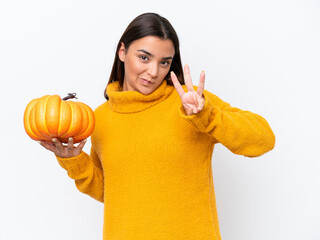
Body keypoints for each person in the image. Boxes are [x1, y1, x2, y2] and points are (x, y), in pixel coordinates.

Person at [39, 12, 275, 240]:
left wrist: (208, 117)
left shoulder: (191, 104)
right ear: (123, 52)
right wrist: (74, 161)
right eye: (144, 57)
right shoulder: (100, 119)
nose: (153, 72)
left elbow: (263, 139)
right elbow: (113, 193)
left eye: (164, 62)